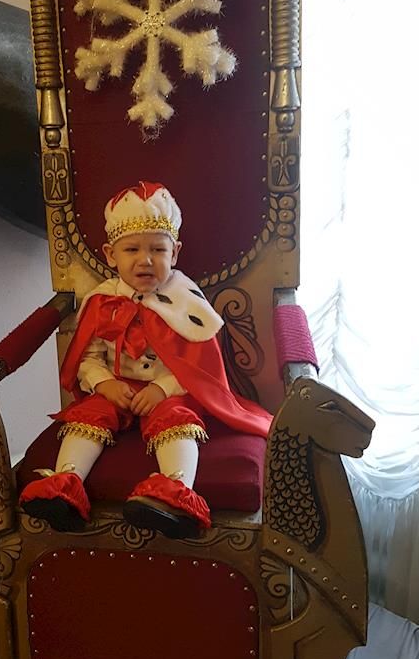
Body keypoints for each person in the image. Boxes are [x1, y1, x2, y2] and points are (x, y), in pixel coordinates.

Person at [19, 181, 272, 538]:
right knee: (90, 414)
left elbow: (199, 367)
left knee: (176, 418)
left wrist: (162, 388)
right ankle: (66, 483)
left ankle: (174, 492)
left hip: (168, 392)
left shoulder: (186, 300)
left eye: (158, 249)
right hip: (117, 389)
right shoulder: (101, 302)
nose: (145, 260)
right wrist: (104, 384)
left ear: (175, 253)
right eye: (132, 249)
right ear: (110, 254)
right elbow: (88, 358)